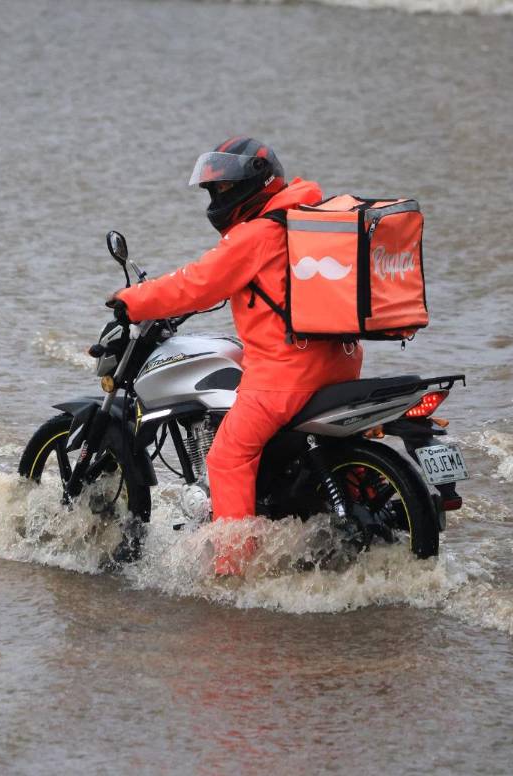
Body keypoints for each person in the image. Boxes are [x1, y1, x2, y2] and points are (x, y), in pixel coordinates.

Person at [109, 137, 363, 574]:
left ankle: (232, 569)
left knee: (227, 455)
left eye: (224, 190)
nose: (217, 198)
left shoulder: (258, 233)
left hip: (287, 373)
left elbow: (196, 283)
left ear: (254, 187)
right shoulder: (305, 219)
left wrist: (132, 301)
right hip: (340, 361)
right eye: (213, 191)